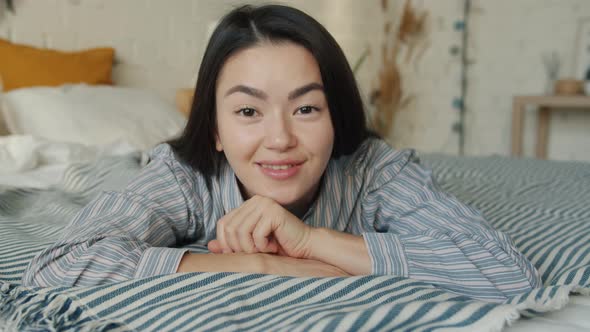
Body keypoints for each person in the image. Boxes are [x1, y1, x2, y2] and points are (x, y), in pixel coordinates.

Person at [22, 4, 540, 302]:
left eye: (306, 109)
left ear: (335, 115)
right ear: (216, 129)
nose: (281, 139)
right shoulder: (183, 175)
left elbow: (507, 271)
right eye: (248, 112)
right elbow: (59, 266)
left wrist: (312, 240)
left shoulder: (374, 170)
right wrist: (263, 268)